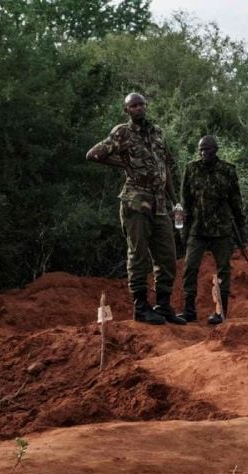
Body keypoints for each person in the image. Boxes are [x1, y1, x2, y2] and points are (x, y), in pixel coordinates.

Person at [86, 92, 186, 325]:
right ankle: (141, 308)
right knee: (138, 255)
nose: (139, 108)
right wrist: (124, 164)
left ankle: (163, 306)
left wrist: (175, 201)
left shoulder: (158, 133)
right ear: (127, 110)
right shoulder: (122, 132)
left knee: (168, 257)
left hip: (160, 204)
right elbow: (94, 154)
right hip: (135, 201)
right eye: (133, 105)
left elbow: (165, 168)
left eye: (141, 104)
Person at [177, 135, 245, 325]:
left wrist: (241, 225)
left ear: (216, 150)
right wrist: (181, 228)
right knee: (190, 267)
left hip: (221, 229)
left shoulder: (228, 170)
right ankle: (189, 309)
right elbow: (185, 202)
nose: (203, 153)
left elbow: (236, 201)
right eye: (200, 150)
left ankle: (220, 311)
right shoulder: (191, 169)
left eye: (207, 149)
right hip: (197, 228)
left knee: (224, 270)